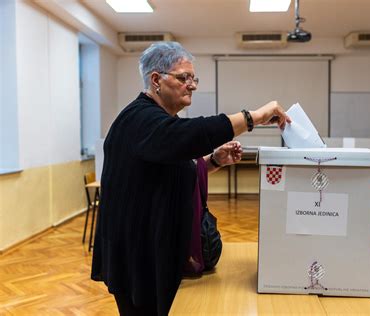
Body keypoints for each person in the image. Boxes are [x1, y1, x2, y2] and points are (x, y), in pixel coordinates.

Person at [91, 41, 291, 315]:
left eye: (193, 78)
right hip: (139, 258)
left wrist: (213, 161)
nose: (192, 85)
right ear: (156, 80)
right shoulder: (140, 119)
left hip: (155, 251)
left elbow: (169, 167)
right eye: (184, 77)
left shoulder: (157, 122)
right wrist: (252, 117)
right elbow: (189, 135)